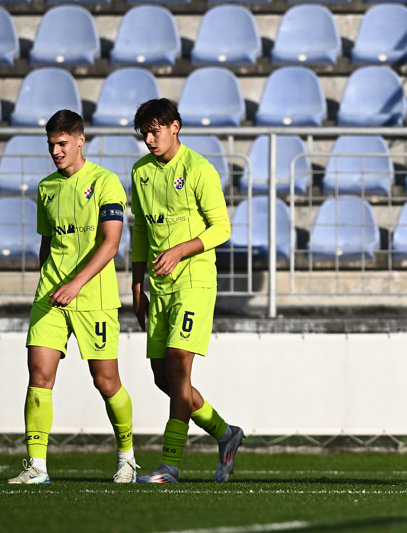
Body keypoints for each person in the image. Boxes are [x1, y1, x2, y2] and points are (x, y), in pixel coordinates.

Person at [8, 110, 137, 484]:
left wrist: (77, 283)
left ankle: (127, 458)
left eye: (62, 143)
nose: (56, 151)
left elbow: (111, 243)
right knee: (39, 374)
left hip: (93, 297)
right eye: (51, 145)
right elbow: (46, 244)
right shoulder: (46, 187)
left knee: (106, 381)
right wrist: (49, 280)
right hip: (51, 295)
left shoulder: (105, 182)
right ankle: (37, 466)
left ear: (81, 140)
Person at [130, 98, 244, 483]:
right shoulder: (141, 172)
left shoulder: (198, 169)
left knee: (178, 366)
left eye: (155, 131)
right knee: (165, 379)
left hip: (194, 282)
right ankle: (225, 434)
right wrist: (136, 284)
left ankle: (170, 465)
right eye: (145, 133)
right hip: (159, 288)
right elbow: (141, 229)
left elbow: (221, 228)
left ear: (174, 127)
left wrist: (180, 250)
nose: (149, 139)